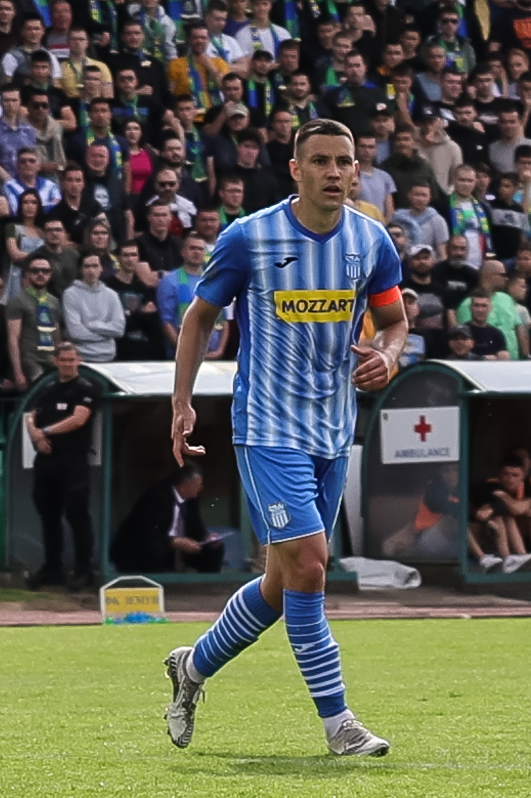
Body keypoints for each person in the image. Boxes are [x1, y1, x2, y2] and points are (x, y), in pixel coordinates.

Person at [163, 119, 410, 758]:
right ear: (295, 169)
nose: (335, 172)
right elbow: (199, 317)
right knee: (309, 566)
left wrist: (388, 354)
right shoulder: (251, 236)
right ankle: (339, 724)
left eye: (345, 161)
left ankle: (190, 669)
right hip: (268, 429)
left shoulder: (371, 240)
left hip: (333, 428)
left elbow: (394, 321)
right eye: (322, 160)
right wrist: (182, 400)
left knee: (281, 585)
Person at [21, 342, 103, 590]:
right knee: (49, 517)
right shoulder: (46, 389)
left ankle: (83, 569)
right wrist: (36, 437)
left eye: (72, 359)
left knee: (77, 516)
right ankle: (52, 568)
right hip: (46, 460)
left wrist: (45, 431)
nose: (68, 364)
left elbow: (78, 419)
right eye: (63, 360)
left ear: (79, 361)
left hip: (73, 461)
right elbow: (30, 416)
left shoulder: (85, 388)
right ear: (55, 362)